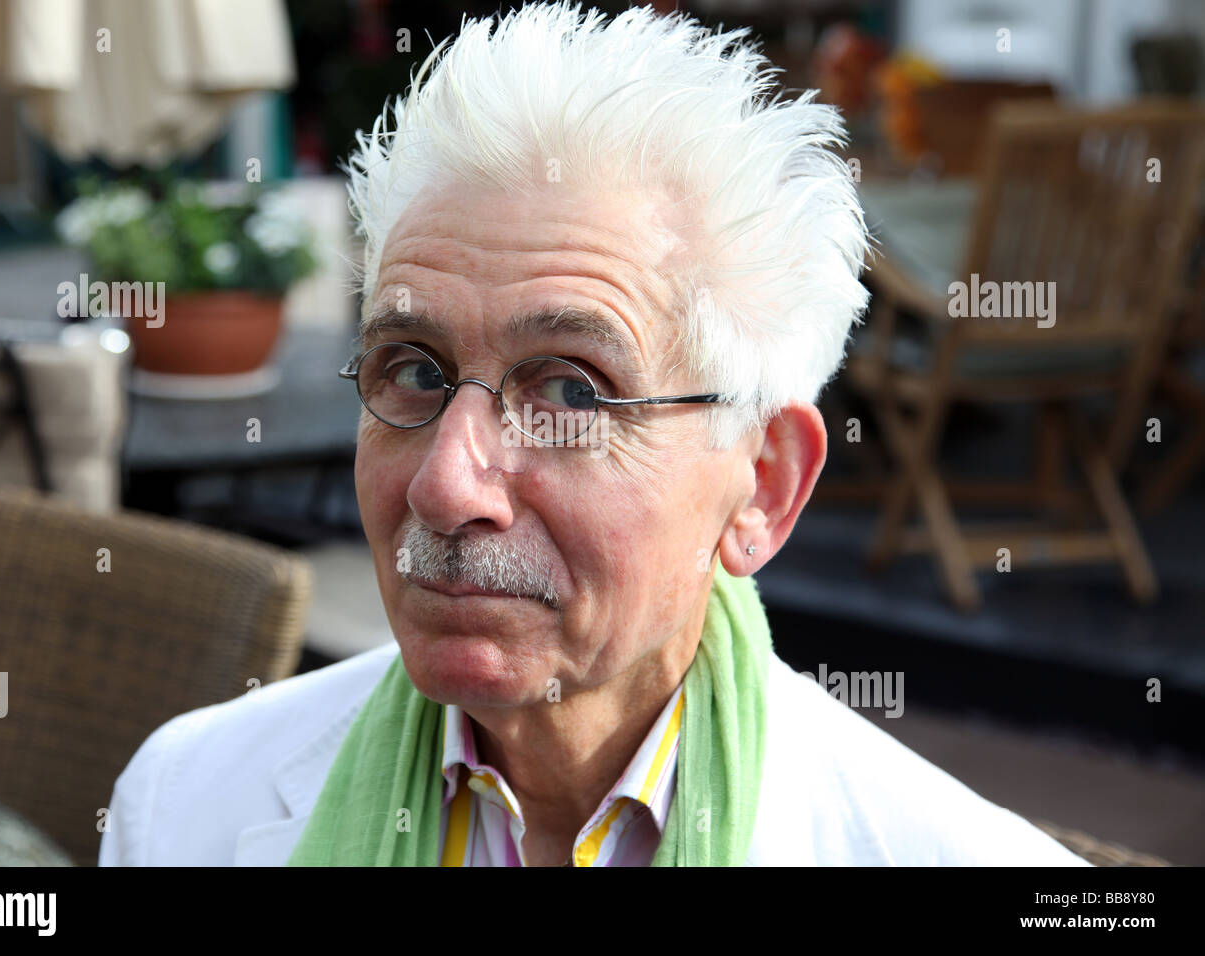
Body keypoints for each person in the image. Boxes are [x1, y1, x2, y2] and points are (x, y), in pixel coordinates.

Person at [101, 2, 1088, 866]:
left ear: (763, 486)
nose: (447, 485)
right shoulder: (182, 805)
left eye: (572, 392)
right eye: (412, 368)